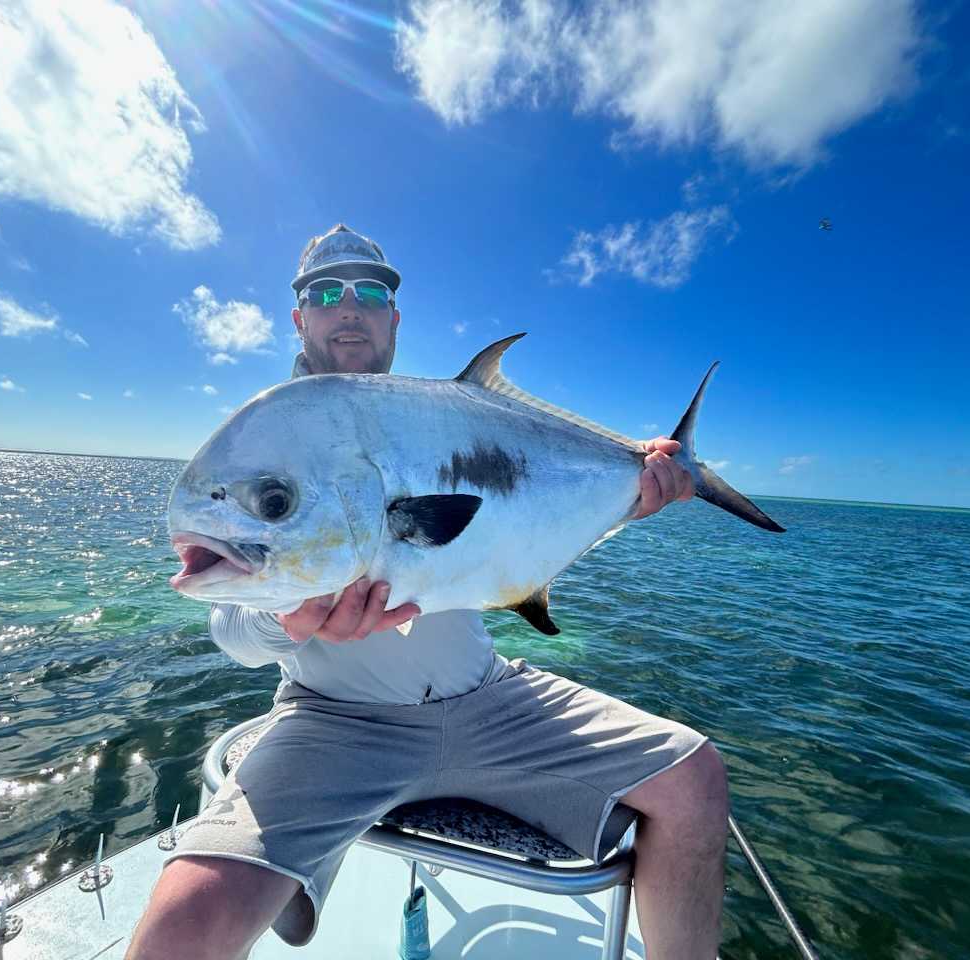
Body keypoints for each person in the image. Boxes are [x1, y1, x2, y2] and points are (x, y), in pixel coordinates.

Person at [126, 225, 727, 960]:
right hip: (336, 723)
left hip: (491, 702)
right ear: (299, 319)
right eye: (325, 292)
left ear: (394, 320)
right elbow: (230, 626)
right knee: (178, 935)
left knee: (694, 779)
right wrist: (293, 622)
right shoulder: (268, 438)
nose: (349, 307)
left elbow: (522, 512)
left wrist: (630, 488)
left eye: (371, 291)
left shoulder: (443, 415)